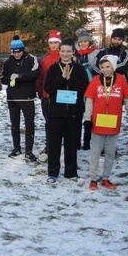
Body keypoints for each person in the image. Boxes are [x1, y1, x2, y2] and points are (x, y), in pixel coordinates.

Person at [83, 55, 128, 190]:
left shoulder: (121, 80)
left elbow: (127, 98)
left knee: (110, 153)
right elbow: (89, 100)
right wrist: (87, 118)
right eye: (102, 67)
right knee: (96, 153)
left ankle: (106, 178)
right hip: (97, 123)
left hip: (113, 123)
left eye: (107, 67)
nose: (104, 70)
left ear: (113, 66)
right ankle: (93, 178)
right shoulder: (95, 80)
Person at [44, 39, 89, 183]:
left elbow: (84, 88)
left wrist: (71, 80)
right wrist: (62, 79)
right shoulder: (53, 68)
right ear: (59, 52)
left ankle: (71, 172)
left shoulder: (79, 68)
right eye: (62, 51)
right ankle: (53, 172)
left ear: (73, 52)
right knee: (54, 143)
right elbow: (48, 89)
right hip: (56, 113)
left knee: (71, 143)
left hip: (73, 113)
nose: (65, 54)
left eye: (68, 51)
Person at [1, 36, 40, 161]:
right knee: (14, 124)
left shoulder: (31, 59)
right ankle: (16, 148)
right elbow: (3, 77)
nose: (17, 54)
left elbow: (35, 73)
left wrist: (20, 76)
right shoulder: (8, 62)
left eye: (19, 51)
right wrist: (11, 78)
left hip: (27, 97)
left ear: (23, 50)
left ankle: (29, 150)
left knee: (29, 124)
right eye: (14, 52)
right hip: (12, 97)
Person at [36, 29, 63, 157]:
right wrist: (41, 92)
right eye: (51, 43)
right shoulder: (44, 59)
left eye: (55, 43)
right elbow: (40, 77)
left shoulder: (64, 56)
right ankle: (49, 145)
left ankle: (59, 145)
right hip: (47, 95)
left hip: (62, 96)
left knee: (60, 122)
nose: (53, 45)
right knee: (48, 122)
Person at [75, 29, 97, 151]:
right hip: (79, 87)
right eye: (81, 41)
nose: (83, 44)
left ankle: (87, 141)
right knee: (78, 115)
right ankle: (77, 141)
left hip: (92, 85)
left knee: (89, 114)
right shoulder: (75, 53)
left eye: (85, 41)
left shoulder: (96, 52)